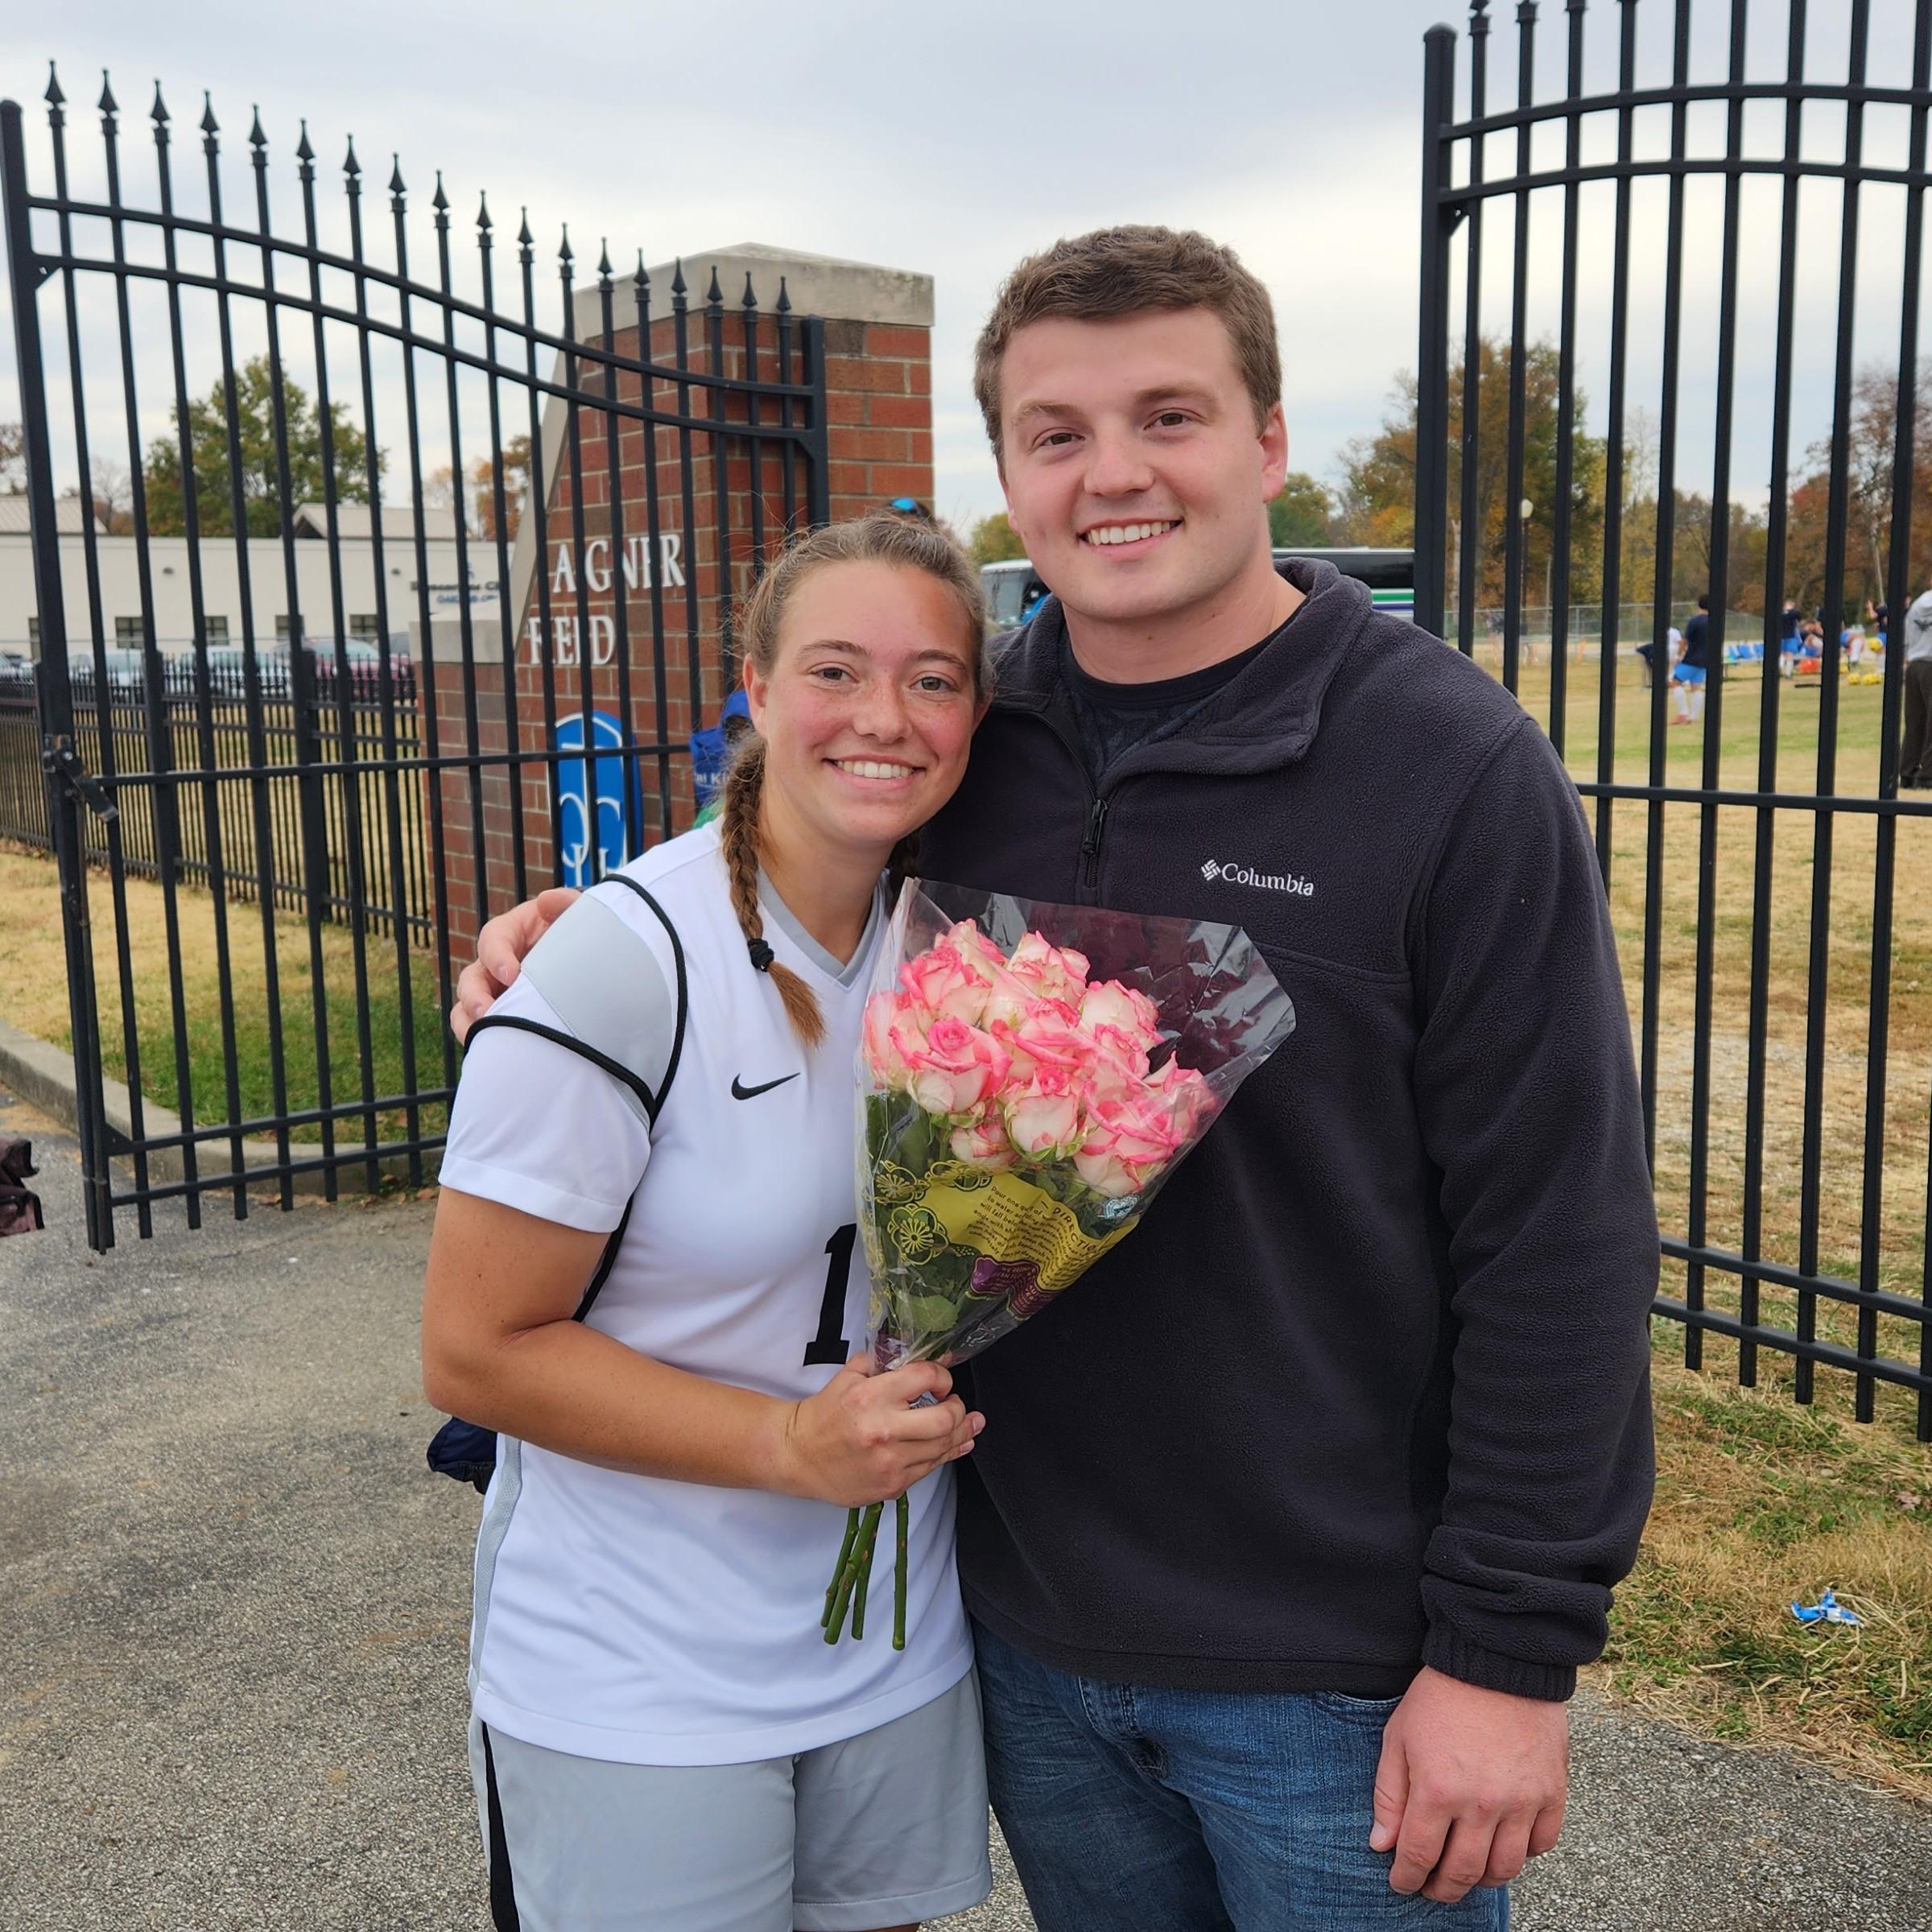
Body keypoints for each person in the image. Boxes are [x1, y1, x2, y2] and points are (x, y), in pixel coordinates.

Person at [454, 225, 1658, 1928]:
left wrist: (1509, 1661)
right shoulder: (972, 739)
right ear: (1009, 472)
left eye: (1169, 416)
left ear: (1267, 442)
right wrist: (565, 940)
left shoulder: (1451, 766)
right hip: (1018, 1636)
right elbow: (780, 850)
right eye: (1056, 434)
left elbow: (1563, 1239)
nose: (1114, 476)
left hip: (1336, 1680)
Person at [422, 513, 998, 1932]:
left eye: (934, 679)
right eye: (835, 671)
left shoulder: (968, 944)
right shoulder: (619, 960)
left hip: (887, 1641)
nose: (886, 717)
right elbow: (475, 1352)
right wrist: (782, 1446)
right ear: (750, 685)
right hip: (641, 1673)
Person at [1901, 585, 1932, 787]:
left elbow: (1905, 636)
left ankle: (1908, 772)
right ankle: (1928, 775)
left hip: (1914, 664)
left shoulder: (1918, 604)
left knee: (1915, 722)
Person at [1670, 595, 1709, 724]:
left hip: (1692, 658)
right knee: (1696, 686)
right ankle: (1693, 717)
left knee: (1675, 682)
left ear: (1699, 605)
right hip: (1705, 659)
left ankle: (1683, 713)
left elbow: (1684, 641)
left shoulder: (1695, 621)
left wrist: (1678, 656)